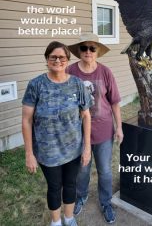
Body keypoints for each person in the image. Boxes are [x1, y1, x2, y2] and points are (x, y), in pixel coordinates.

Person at [22, 41, 93, 226]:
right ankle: (56, 222)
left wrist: (86, 148)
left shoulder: (78, 84)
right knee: (54, 187)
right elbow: (26, 120)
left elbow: (86, 116)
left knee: (70, 184)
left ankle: (69, 218)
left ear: (67, 60)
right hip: (48, 152)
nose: (57, 60)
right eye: (53, 57)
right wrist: (29, 153)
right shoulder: (36, 85)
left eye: (62, 57)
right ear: (47, 59)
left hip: (73, 149)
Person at [67, 33, 124, 224]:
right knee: (82, 170)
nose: (88, 52)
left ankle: (106, 202)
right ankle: (80, 196)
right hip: (79, 132)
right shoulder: (70, 71)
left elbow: (115, 102)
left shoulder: (106, 72)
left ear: (98, 51)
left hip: (103, 130)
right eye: (84, 48)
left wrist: (119, 128)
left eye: (92, 48)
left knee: (105, 171)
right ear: (79, 51)